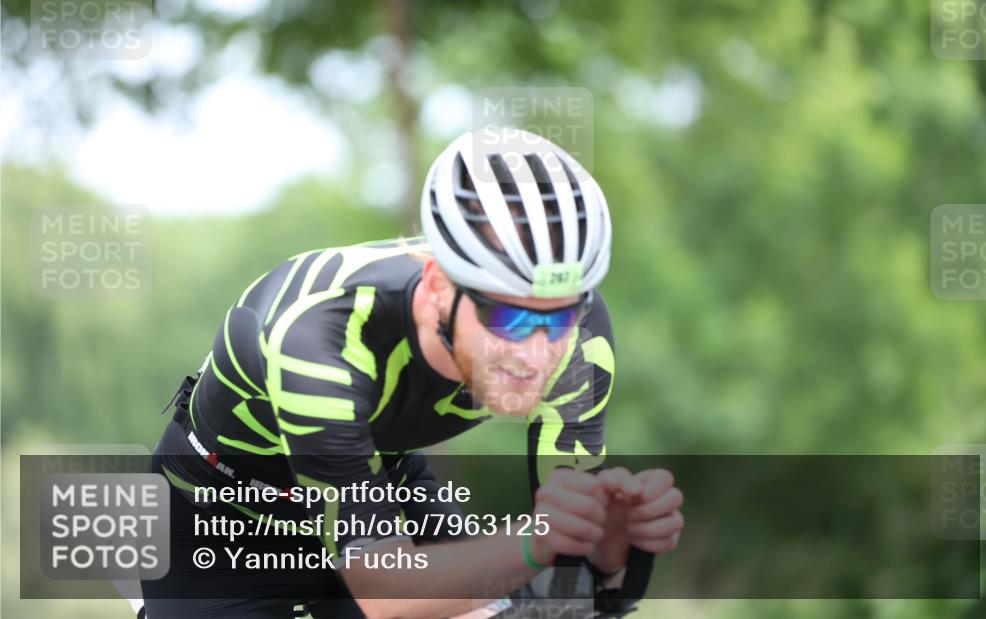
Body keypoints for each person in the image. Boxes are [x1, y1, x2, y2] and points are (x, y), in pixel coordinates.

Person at [140, 128, 685, 619]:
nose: (538, 355)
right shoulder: (321, 334)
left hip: (375, 482)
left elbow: (575, 590)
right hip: (221, 519)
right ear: (437, 288)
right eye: (507, 318)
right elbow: (387, 594)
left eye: (561, 317)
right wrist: (532, 544)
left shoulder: (582, 339)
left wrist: (613, 546)